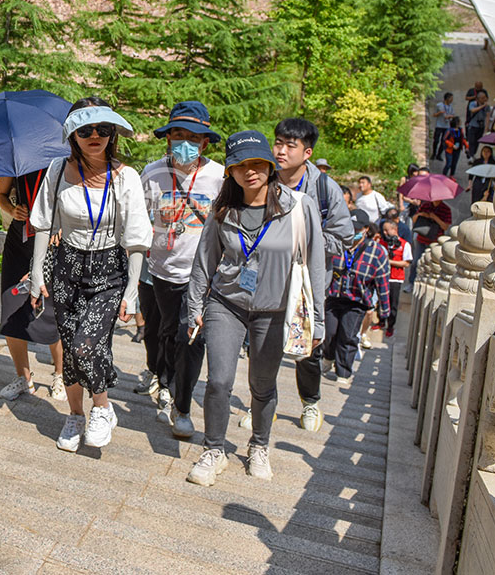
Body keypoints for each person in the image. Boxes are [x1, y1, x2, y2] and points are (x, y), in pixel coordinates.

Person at [185, 131, 325, 485]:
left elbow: (316, 264)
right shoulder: (223, 209)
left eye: (258, 163)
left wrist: (317, 322)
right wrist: (194, 306)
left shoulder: (299, 206)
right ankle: (213, 449)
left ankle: (259, 445)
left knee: (262, 384)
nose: (251, 172)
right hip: (226, 303)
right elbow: (205, 261)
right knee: (218, 381)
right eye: (241, 165)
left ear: (270, 166)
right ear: (230, 171)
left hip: (275, 309)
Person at [28, 98, 151, 453]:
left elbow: (138, 238)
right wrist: (37, 272)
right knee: (70, 347)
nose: (94, 136)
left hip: (109, 269)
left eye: (103, 129)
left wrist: (132, 290)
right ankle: (75, 414)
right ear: (72, 134)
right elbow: (41, 223)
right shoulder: (56, 170)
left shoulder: (125, 175)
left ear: (113, 133)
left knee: (87, 343)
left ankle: (102, 407)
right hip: (67, 266)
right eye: (86, 130)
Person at [258, 118, 352, 434]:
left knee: (306, 349)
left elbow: (342, 236)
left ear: (307, 152)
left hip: (308, 285)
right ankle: (261, 405)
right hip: (266, 279)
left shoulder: (325, 189)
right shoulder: (263, 178)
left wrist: (301, 238)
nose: (281, 151)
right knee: (262, 344)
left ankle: (310, 402)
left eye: (290, 145)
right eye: (278, 143)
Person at [138, 101, 225, 438]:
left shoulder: (218, 177)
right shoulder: (152, 173)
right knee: (166, 332)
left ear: (205, 142)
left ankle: (182, 405)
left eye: (194, 137)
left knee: (192, 337)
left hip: (201, 274)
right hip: (161, 269)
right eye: (179, 135)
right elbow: (139, 219)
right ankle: (165, 382)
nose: (185, 142)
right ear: (168, 138)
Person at [0, 170, 66, 403]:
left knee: (54, 310)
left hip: (56, 240)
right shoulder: (17, 159)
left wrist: (65, 223)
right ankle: (23, 378)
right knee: (11, 305)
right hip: (21, 238)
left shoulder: (67, 160)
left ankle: (60, 375)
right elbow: (1, 195)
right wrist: (12, 210)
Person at [324, 216, 390, 386]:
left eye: (357, 230)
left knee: (348, 335)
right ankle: (328, 356)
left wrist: (384, 311)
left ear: (366, 230)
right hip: (334, 296)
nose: (353, 233)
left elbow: (382, 281)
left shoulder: (377, 252)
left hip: (357, 300)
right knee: (330, 332)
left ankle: (343, 371)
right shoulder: (337, 243)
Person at [379, 219, 411, 338]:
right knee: (380, 301)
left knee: (393, 304)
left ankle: (390, 326)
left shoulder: (404, 244)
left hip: (395, 278)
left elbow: (406, 263)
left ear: (395, 230)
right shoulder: (382, 243)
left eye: (387, 230)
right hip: (382, 276)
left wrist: (390, 262)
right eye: (384, 231)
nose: (385, 233)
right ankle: (381, 321)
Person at [465, 90, 492, 156]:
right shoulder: (473, 104)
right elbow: (472, 110)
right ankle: (471, 155)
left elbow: (488, 117)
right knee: (471, 141)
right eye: (482, 98)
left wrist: (486, 128)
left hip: (481, 126)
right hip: (473, 125)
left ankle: (472, 153)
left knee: (477, 142)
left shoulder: (487, 106)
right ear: (478, 98)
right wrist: (482, 106)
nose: (484, 99)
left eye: (485, 97)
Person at [431, 93, 455, 160]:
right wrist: (440, 113)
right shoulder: (439, 105)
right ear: (447, 98)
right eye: (451, 98)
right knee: (436, 140)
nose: (452, 100)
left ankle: (439, 154)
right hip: (439, 125)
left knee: (444, 141)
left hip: (446, 126)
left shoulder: (451, 107)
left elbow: (453, 115)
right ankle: (434, 153)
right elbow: (434, 114)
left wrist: (450, 116)